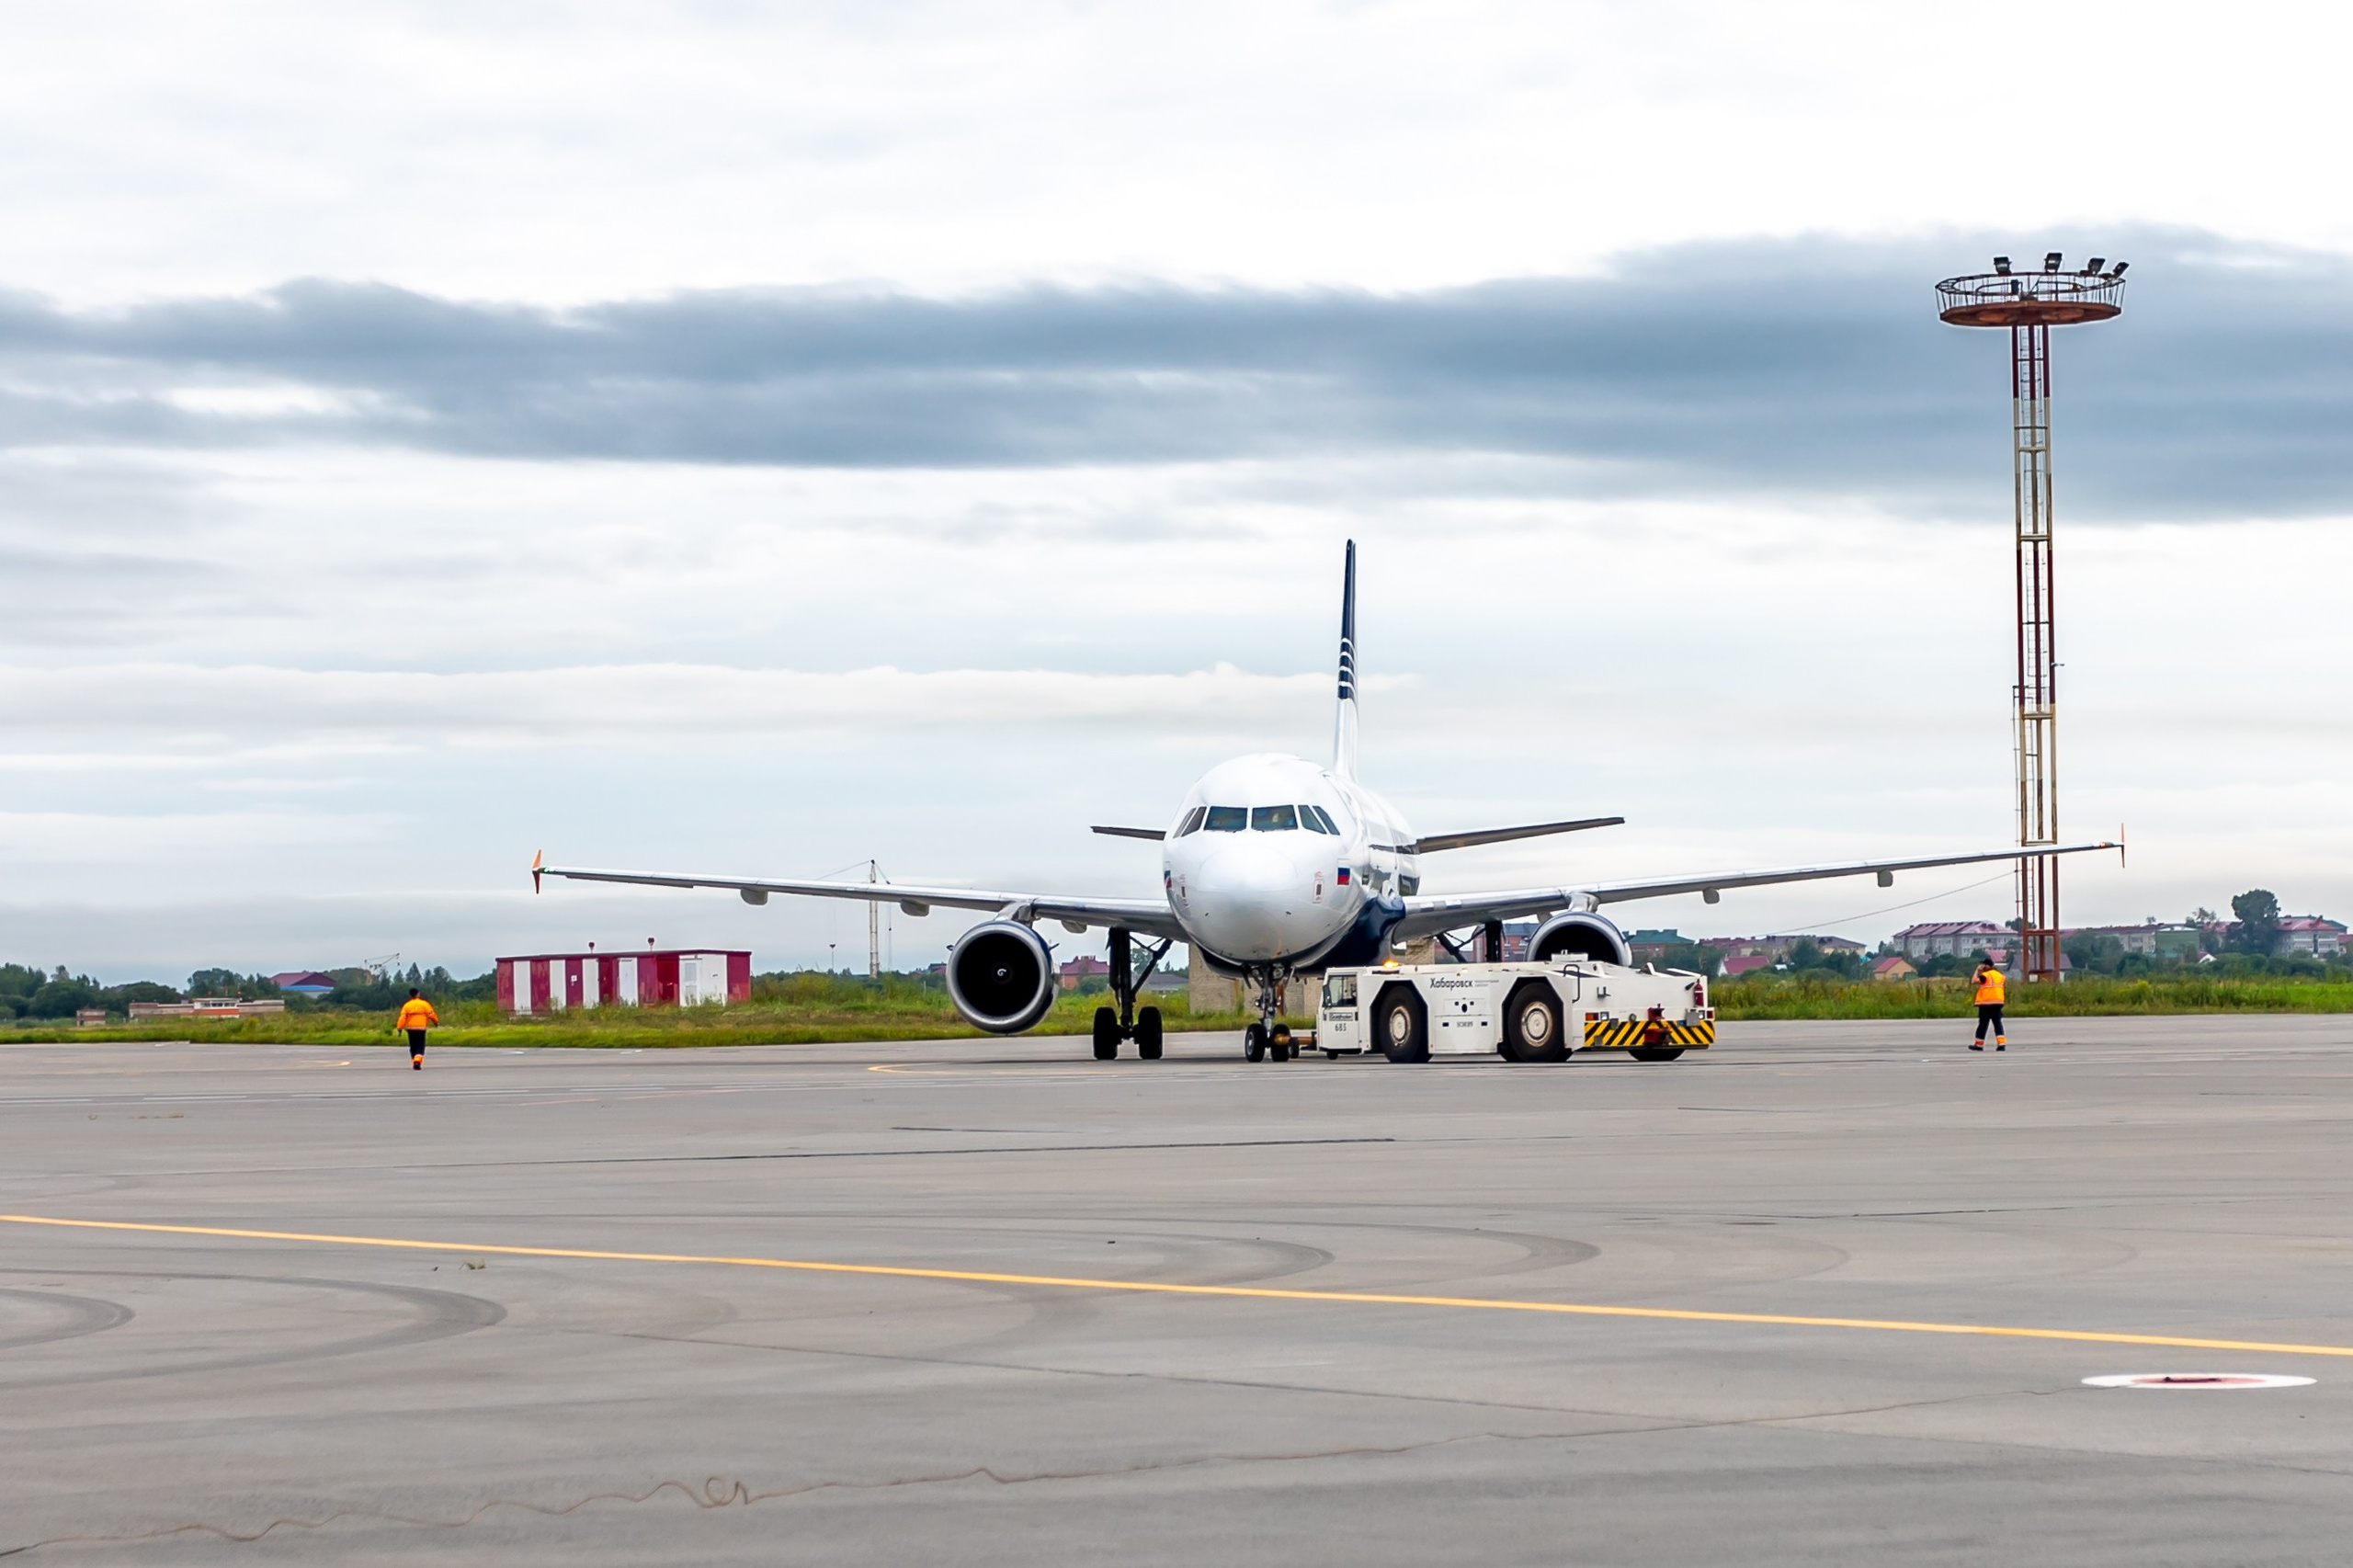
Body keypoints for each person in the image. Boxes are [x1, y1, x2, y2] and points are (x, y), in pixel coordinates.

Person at [394, 988, 439, 1070]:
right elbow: (431, 1014)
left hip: (411, 1029)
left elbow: (402, 1018)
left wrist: (399, 1028)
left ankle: (415, 1061)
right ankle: (417, 1061)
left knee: (413, 1046)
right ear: (418, 994)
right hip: (421, 1029)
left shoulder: (407, 1005)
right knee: (420, 1046)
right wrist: (436, 1022)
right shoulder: (424, 1004)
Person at [1969, 959, 2006, 1051]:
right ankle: (2001, 1044)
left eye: (1984, 965)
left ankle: (1979, 1045)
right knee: (1997, 1023)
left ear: (1988, 966)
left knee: (1983, 1024)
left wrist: (1977, 970)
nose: (1982, 966)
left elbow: (1973, 981)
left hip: (1986, 1003)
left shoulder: (1985, 976)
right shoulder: (2000, 975)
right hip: (1998, 1002)